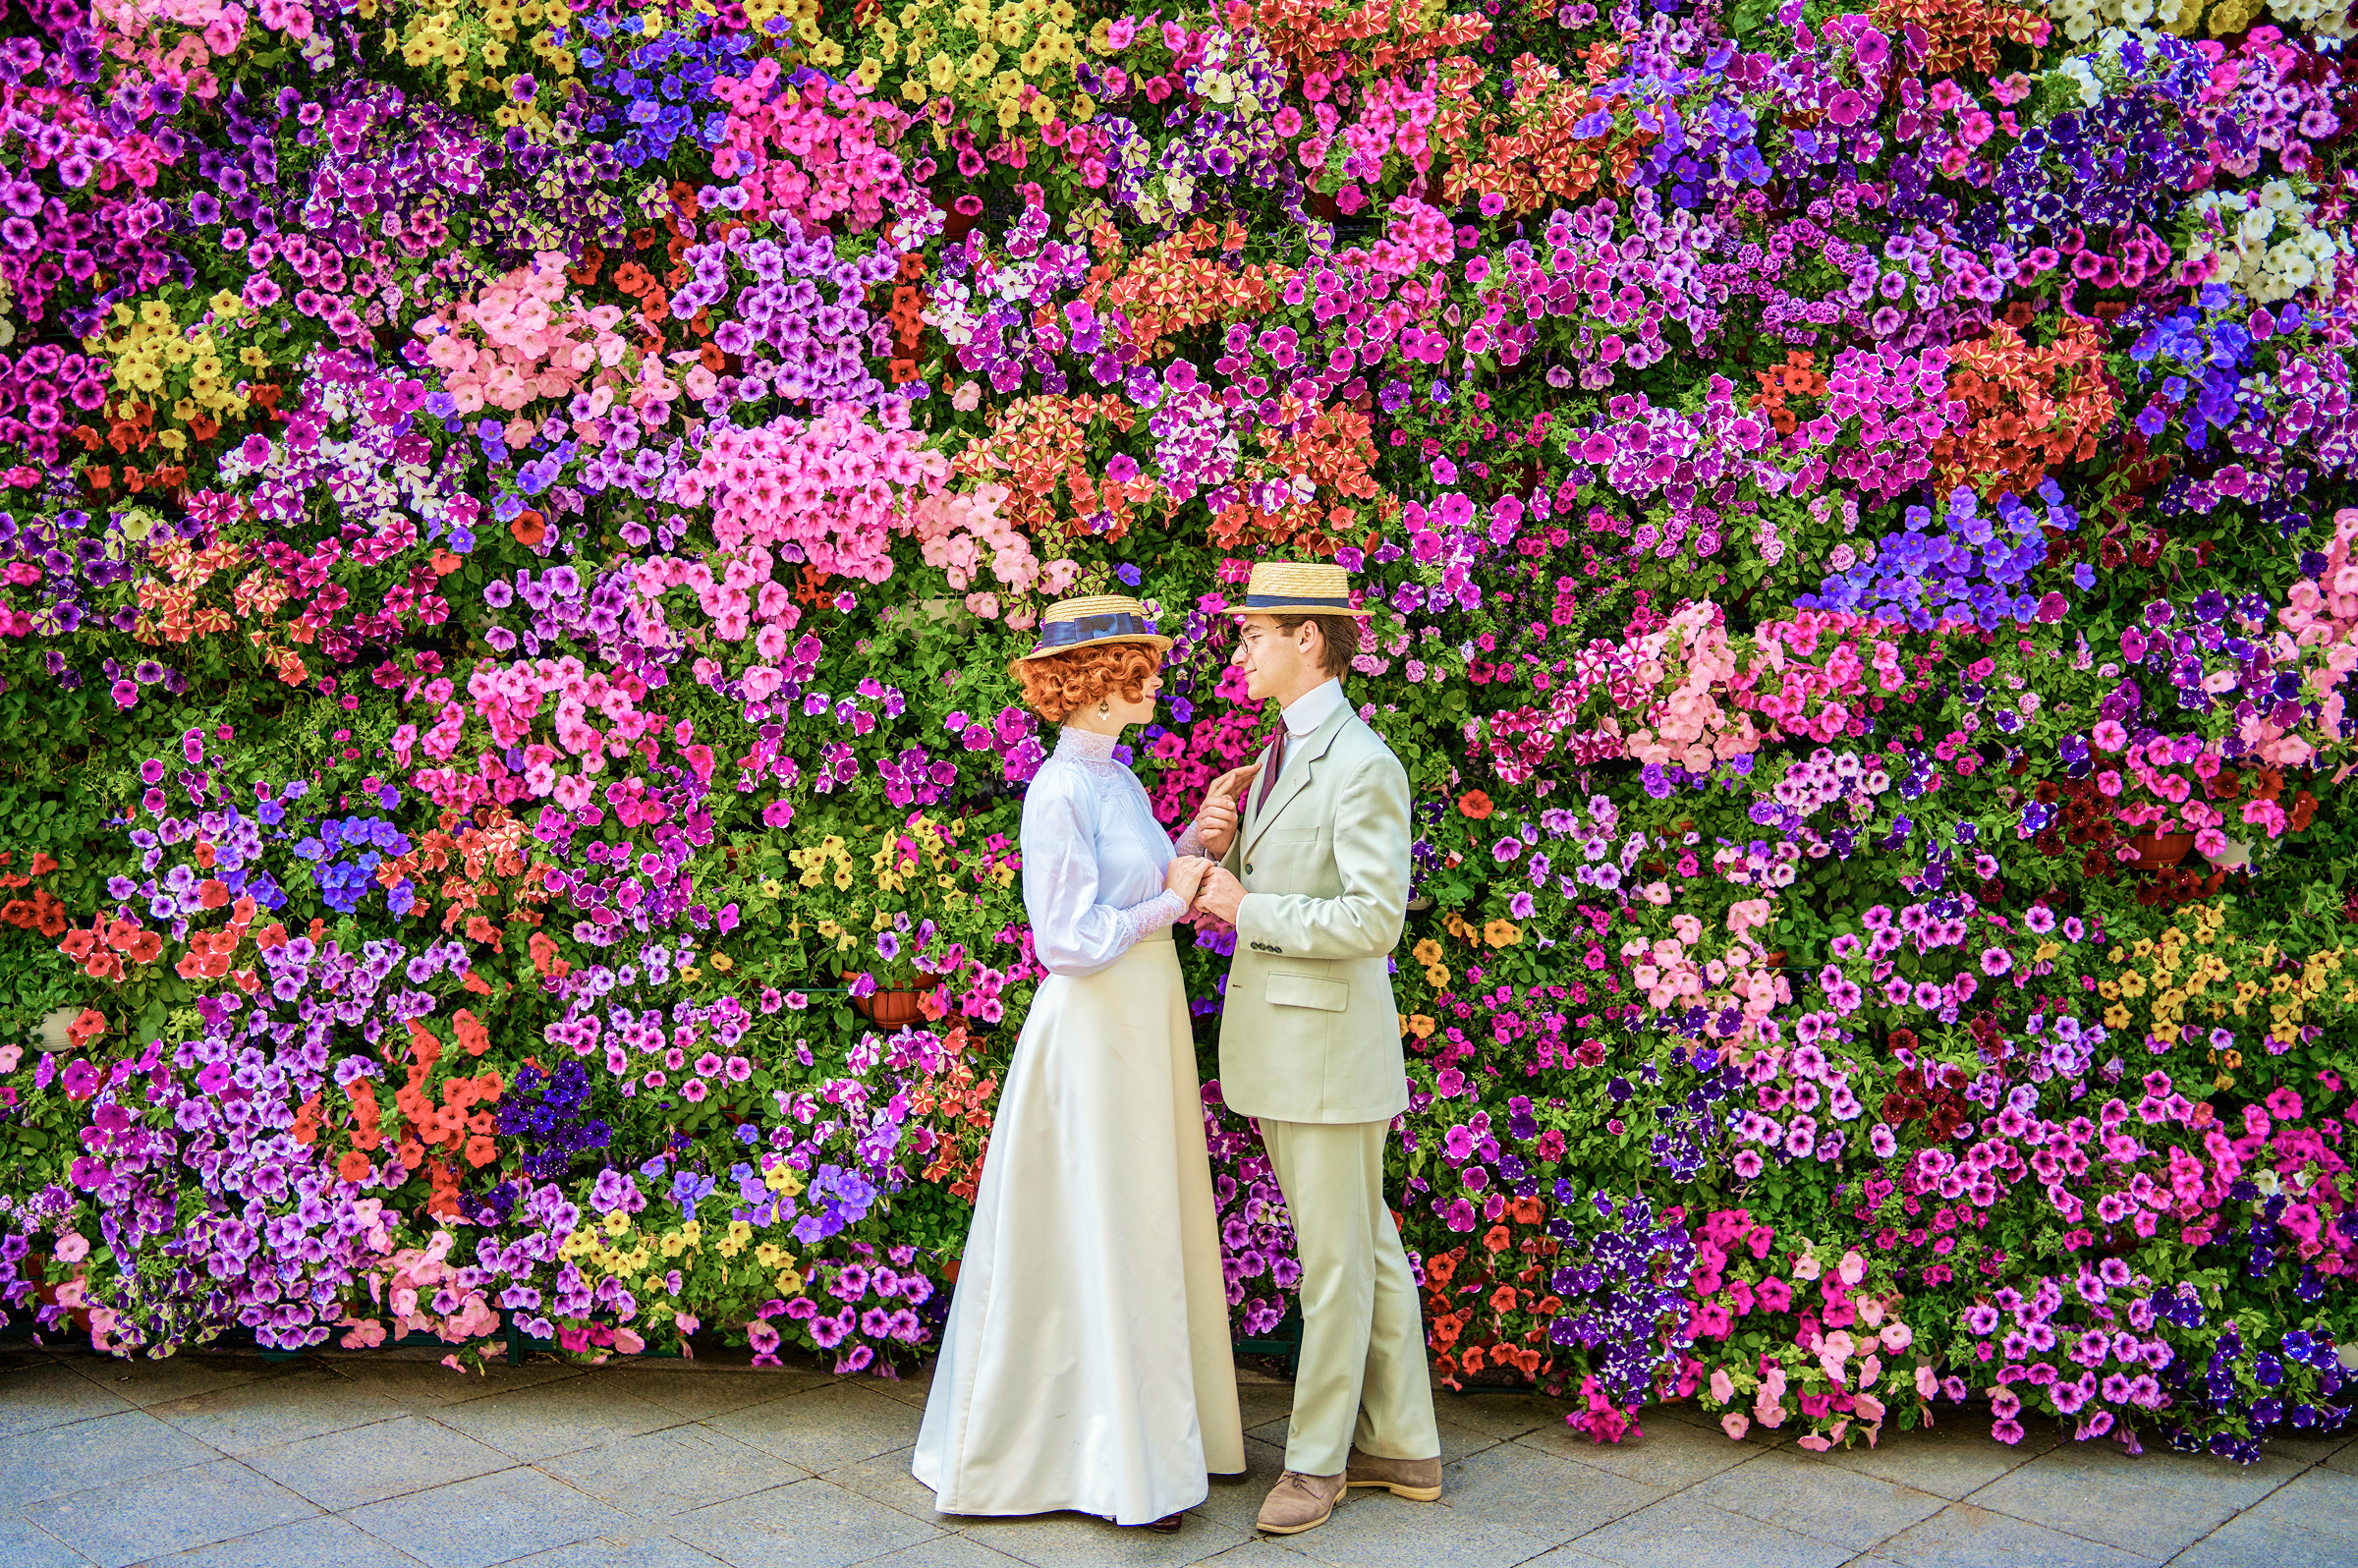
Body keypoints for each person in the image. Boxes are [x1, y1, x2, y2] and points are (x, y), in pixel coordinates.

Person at [913, 592, 1246, 1535]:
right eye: (1140, 663)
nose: (1155, 676)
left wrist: (1195, 843)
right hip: (1093, 1029)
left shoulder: (1120, 780)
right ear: (1101, 682)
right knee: (1102, 1224)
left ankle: (1150, 1448)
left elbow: (1137, 890)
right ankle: (1110, 1468)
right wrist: (1176, 901)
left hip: (1140, 1024)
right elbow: (1066, 939)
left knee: (1143, 1218)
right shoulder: (1056, 790)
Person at [1190, 560, 1443, 1537]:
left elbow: (1374, 920)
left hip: (1327, 1056)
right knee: (1366, 1249)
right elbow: (1264, 898)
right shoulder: (1275, 756)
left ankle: (1316, 1463)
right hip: (1293, 1047)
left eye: (1254, 633)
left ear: (1307, 639)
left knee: (1334, 1263)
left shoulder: (1364, 762)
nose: (1240, 649)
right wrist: (1219, 848)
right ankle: (1405, 1444)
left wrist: (1249, 906)